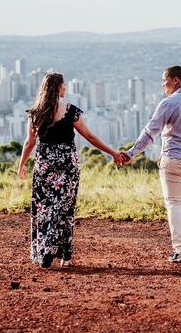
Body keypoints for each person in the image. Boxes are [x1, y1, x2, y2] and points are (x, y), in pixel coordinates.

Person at [18, 72, 124, 268]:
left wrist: (22, 164)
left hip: (44, 166)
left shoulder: (35, 114)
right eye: (63, 85)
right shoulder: (71, 111)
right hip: (67, 166)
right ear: (57, 88)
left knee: (45, 209)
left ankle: (57, 252)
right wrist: (112, 153)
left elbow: (29, 143)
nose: (65, 88)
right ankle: (52, 249)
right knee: (64, 209)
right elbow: (90, 137)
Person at [120, 65, 181, 263]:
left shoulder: (168, 103)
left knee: (175, 204)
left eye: (165, 81)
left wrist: (132, 153)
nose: (163, 85)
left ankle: (180, 250)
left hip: (176, 160)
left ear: (176, 80)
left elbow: (150, 132)